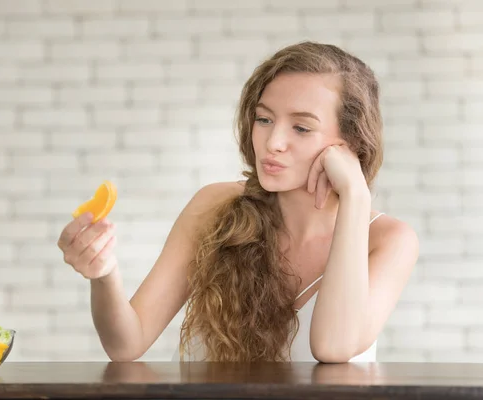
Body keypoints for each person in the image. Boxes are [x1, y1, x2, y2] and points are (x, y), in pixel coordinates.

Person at [57, 41, 420, 363]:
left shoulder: (390, 240)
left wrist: (355, 195)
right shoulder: (215, 205)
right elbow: (126, 343)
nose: (273, 141)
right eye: (263, 119)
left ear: (351, 142)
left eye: (301, 127)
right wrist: (103, 273)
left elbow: (333, 347)